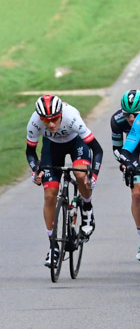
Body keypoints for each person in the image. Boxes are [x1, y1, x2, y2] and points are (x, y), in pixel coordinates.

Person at [26, 95, 103, 268]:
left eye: (54, 119)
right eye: (46, 120)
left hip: (76, 144)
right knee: (50, 194)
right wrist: (35, 170)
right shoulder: (34, 122)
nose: (51, 124)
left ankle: (87, 209)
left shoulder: (72, 117)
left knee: (80, 174)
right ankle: (53, 247)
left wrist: (94, 176)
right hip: (52, 148)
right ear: (40, 117)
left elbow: (97, 150)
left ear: (60, 113)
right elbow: (30, 152)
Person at [110, 89, 140, 261]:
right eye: (128, 115)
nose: (131, 119)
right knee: (136, 194)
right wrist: (125, 164)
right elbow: (117, 149)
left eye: (135, 114)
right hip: (133, 151)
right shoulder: (117, 120)